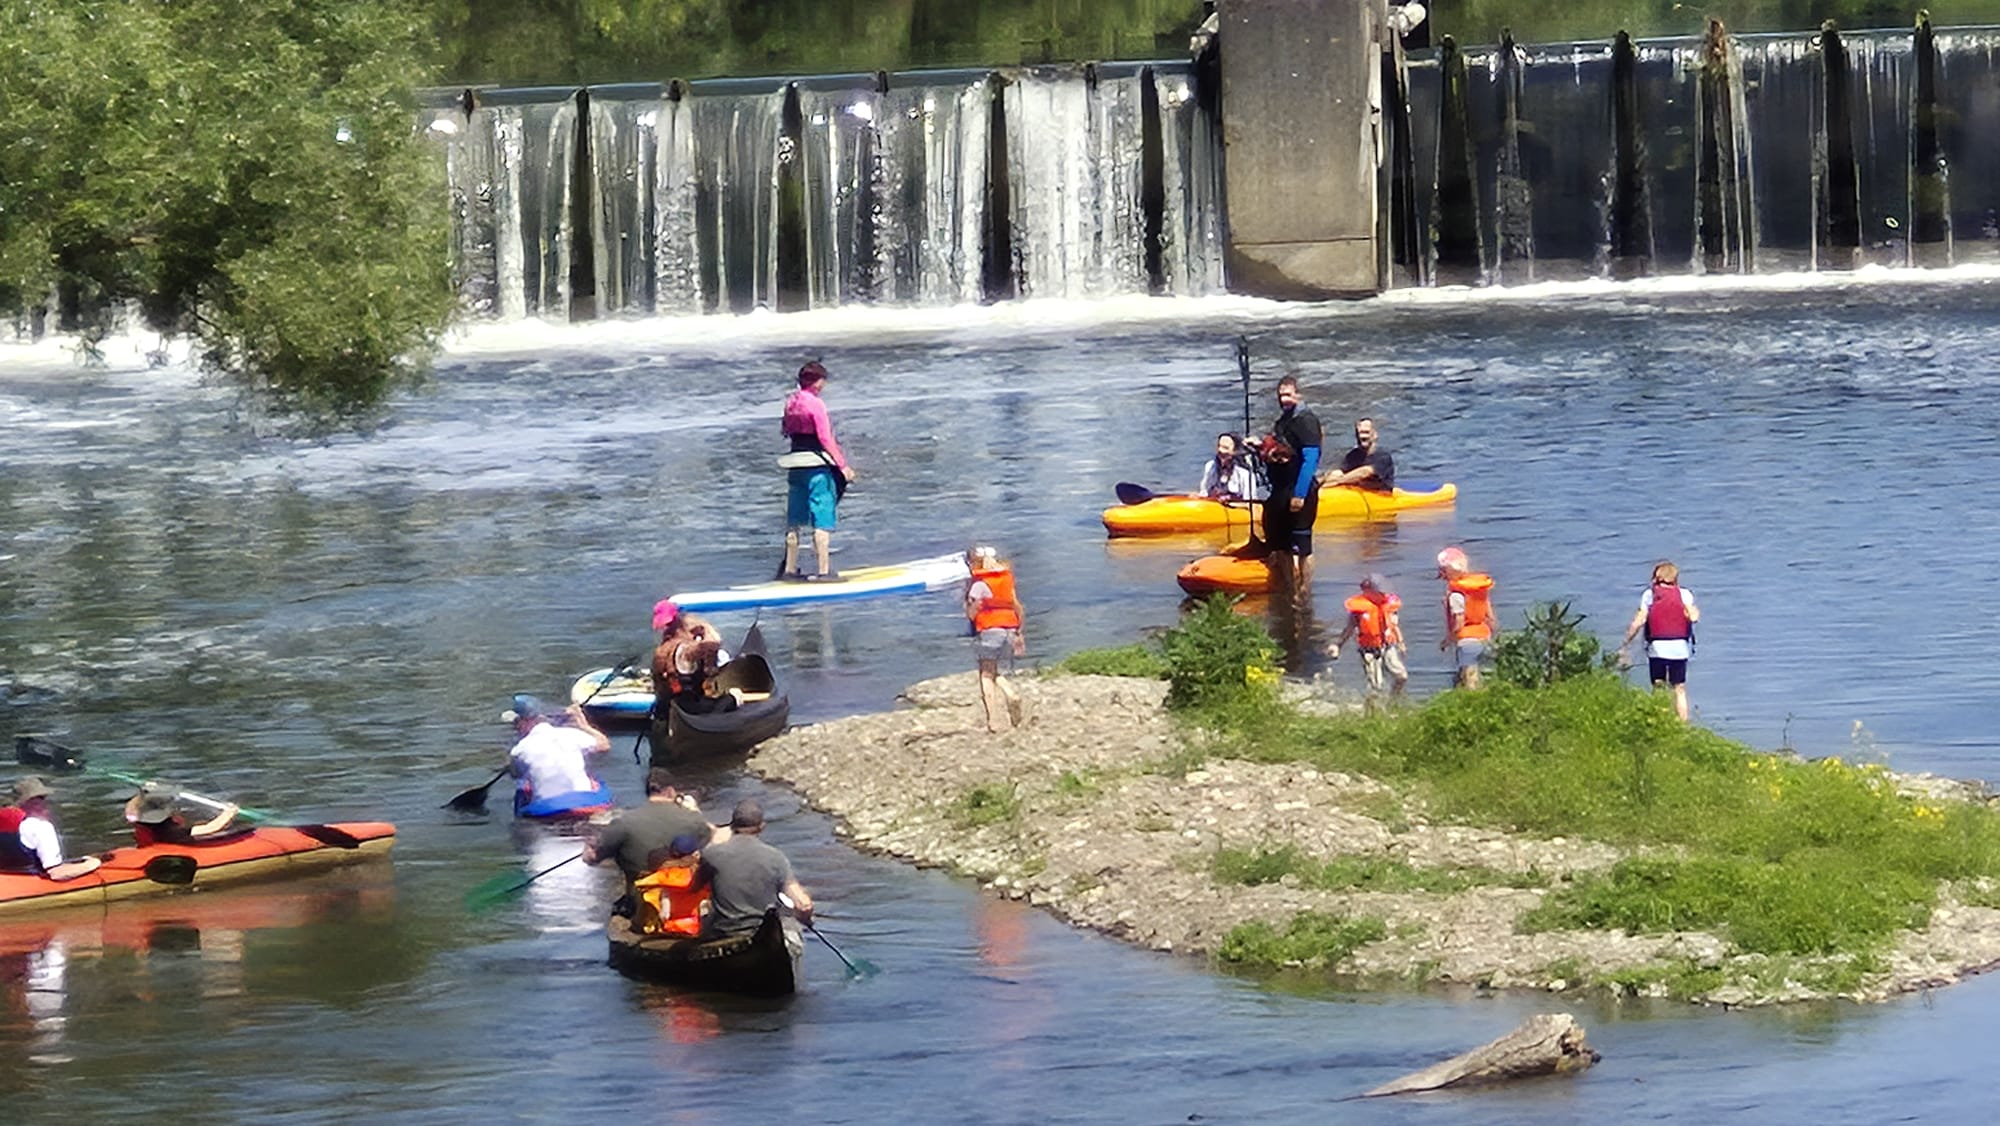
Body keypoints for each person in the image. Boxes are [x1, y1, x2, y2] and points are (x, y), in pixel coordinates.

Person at [779, 360, 856, 582]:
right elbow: (825, 438)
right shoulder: (816, 404)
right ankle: (824, 571)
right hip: (817, 467)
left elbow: (785, 430)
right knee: (822, 517)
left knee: (794, 520)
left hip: (795, 464)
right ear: (817, 382)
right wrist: (843, 466)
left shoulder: (791, 402)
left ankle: (789, 570)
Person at [693, 799, 813, 939]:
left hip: (724, 931)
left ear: (732, 826)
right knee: (790, 928)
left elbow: (694, 886)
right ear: (762, 827)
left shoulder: (711, 854)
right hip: (764, 933)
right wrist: (806, 920)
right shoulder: (776, 857)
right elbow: (804, 904)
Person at [584, 769, 718, 887]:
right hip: (682, 896)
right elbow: (715, 838)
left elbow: (592, 858)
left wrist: (588, 849)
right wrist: (695, 811)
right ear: (670, 791)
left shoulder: (623, 822)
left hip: (641, 896)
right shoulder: (693, 819)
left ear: (647, 792)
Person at [1260, 375, 1322, 592]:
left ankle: (1304, 591)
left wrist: (1300, 494)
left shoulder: (1307, 421)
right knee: (1281, 545)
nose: (1284, 399)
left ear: (1298, 394)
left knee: (1302, 546)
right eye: (1280, 396)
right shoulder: (1282, 422)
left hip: (1299, 490)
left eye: (1288, 395)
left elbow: (1310, 459)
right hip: (1280, 489)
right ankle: (1289, 588)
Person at [1621, 560, 1701, 721]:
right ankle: (1683, 724)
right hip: (1680, 648)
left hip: (1657, 647)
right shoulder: (1685, 594)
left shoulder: (1649, 595)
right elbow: (1694, 617)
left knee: (1658, 685)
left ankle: (1660, 720)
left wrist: (1626, 643)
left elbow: (1639, 621)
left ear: (1655, 578)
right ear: (1675, 578)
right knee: (1679, 688)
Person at [504, 694, 611, 809]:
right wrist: (584, 725)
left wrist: (510, 763)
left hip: (546, 808)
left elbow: (516, 775)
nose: (515, 727)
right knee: (592, 782)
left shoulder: (519, 750)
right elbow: (604, 745)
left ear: (522, 721)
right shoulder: (572, 734)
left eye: (515, 723)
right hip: (583, 802)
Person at [964, 545, 1026, 734]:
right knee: (995, 670)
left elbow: (973, 611)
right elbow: (1017, 607)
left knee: (985, 674)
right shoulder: (1006, 581)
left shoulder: (979, 584)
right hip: (1010, 628)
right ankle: (1011, 694)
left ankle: (993, 719)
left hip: (990, 630)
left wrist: (969, 614)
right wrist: (1019, 632)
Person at [1330, 572, 1408, 706]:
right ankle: (1372, 712)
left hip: (1388, 647)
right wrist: (1338, 645)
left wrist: (1401, 642)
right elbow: (1349, 629)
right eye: (1380, 592)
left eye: (1384, 592)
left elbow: (1393, 625)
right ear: (1368, 591)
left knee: (1402, 676)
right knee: (1376, 686)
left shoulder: (1388, 605)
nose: (1384, 595)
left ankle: (1392, 702)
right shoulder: (1359, 610)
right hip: (1370, 651)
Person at [0, 778, 101, 881]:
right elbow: (56, 873)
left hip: (8, 879)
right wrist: (91, 864)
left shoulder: (7, 823)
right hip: (33, 882)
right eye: (41, 799)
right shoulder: (42, 827)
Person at [1436, 546, 1496, 689]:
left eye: (1442, 571)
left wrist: (1447, 640)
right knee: (1482, 679)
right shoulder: (1479, 590)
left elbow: (1459, 622)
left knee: (1470, 682)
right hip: (1485, 637)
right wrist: (1494, 636)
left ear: (1448, 571)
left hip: (1467, 641)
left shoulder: (1456, 595)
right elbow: (1491, 618)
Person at [123, 783, 241, 846]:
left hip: (149, 847)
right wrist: (229, 813)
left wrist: (146, 791)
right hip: (170, 851)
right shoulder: (172, 832)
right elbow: (211, 828)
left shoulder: (136, 819)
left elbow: (134, 804)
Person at [1322, 417, 1395, 492]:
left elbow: (1365, 472)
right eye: (1359, 433)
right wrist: (1325, 481)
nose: (1362, 437)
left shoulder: (1383, 456)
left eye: (1366, 432)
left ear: (1375, 435)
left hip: (1381, 494)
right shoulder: (1353, 455)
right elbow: (1339, 472)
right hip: (1357, 492)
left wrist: (1338, 481)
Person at [1197, 433, 1262, 501]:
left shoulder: (1245, 474)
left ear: (1235, 451)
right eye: (1219, 446)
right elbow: (1204, 492)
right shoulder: (1210, 466)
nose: (1220, 450)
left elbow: (1249, 502)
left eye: (1225, 448)